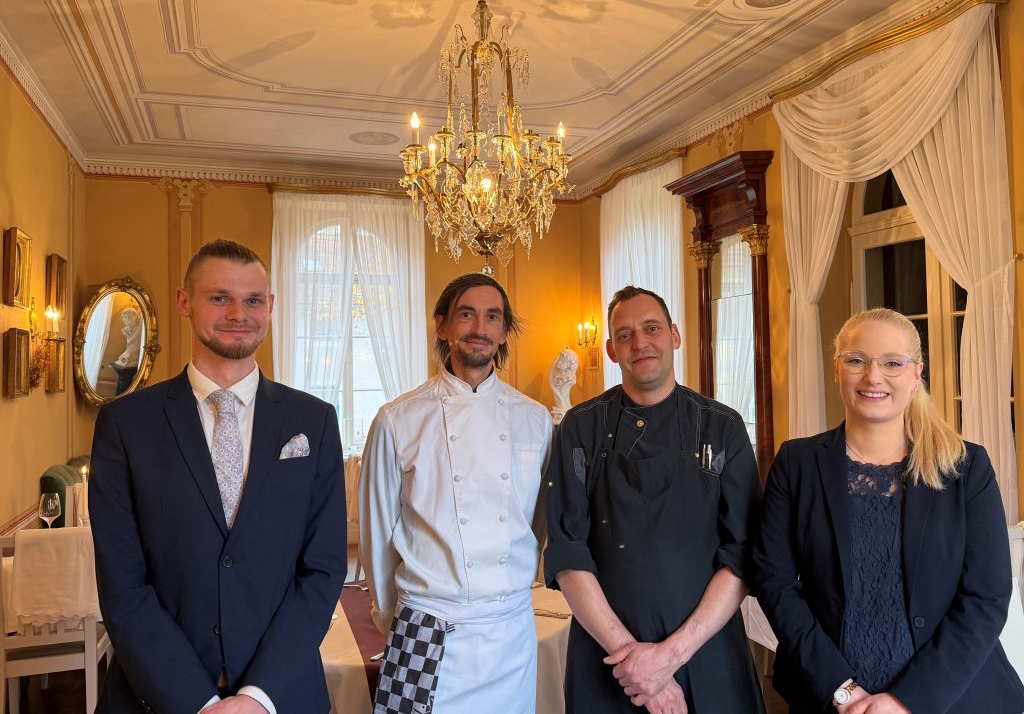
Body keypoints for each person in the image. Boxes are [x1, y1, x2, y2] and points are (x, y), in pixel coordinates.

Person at [89, 240, 347, 714]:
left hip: (282, 696)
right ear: (184, 302)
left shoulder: (314, 421)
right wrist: (199, 702)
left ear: (270, 306)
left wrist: (256, 698)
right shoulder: (126, 425)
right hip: (158, 698)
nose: (238, 314)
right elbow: (123, 587)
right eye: (219, 297)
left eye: (253, 300)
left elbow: (323, 570)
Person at [754, 307, 1024, 714]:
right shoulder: (796, 463)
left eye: (892, 363)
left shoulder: (965, 468)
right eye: (856, 360)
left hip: (955, 698)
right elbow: (774, 583)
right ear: (837, 369)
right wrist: (842, 691)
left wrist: (905, 701)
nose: (873, 377)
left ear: (916, 374)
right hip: (829, 699)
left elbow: (986, 597)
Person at [544, 285, 765, 714]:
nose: (640, 343)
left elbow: (742, 555)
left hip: (706, 650)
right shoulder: (579, 427)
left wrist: (668, 657)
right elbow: (568, 552)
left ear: (674, 335)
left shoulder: (723, 427)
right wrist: (634, 661)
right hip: (608, 658)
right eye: (624, 335)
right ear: (611, 350)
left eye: (652, 328)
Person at [359, 272, 552, 714]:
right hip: (425, 624)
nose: (479, 328)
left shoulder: (535, 419)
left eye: (492, 317)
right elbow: (376, 535)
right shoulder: (397, 419)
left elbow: (536, 522)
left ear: (504, 332)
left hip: (510, 631)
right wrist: (393, 616)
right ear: (442, 326)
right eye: (466, 315)